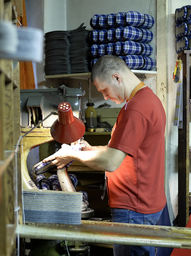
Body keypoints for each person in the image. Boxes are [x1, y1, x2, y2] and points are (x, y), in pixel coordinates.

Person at [43, 55, 166, 256]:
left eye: (105, 91)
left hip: (134, 209)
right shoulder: (145, 100)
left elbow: (111, 162)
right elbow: (123, 151)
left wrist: (70, 154)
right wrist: (89, 150)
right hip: (141, 204)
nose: (106, 98)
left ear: (117, 77)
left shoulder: (136, 108)